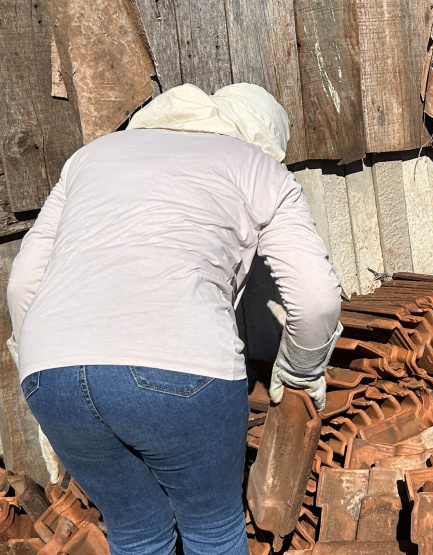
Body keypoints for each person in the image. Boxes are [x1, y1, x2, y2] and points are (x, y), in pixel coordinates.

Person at [6, 83, 342, 554]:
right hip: (181, 365)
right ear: (263, 138)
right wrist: (301, 370)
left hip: (51, 375)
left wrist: (43, 363)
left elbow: (23, 280)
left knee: (136, 530)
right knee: (213, 529)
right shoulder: (257, 167)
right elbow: (317, 297)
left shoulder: (92, 156)